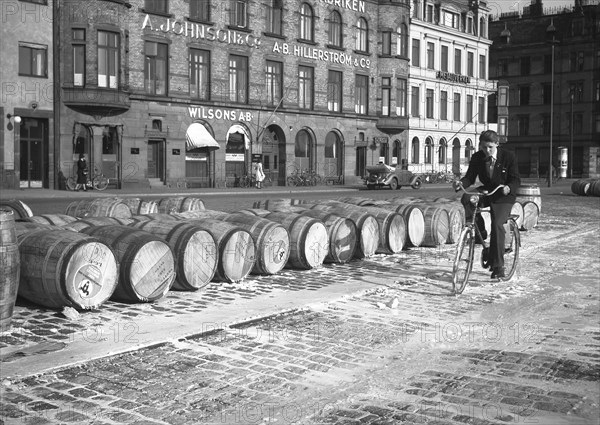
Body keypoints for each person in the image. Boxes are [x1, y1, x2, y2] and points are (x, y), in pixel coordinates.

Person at [452, 130, 521, 279]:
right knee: (467, 198)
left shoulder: (508, 156)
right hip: (487, 190)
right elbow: (470, 177)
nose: (487, 151)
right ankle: (479, 231)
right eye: (484, 147)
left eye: (490, 147)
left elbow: (516, 179)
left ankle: (498, 266)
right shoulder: (478, 157)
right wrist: (460, 183)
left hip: (503, 194)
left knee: (497, 224)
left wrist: (508, 187)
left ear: (497, 144)